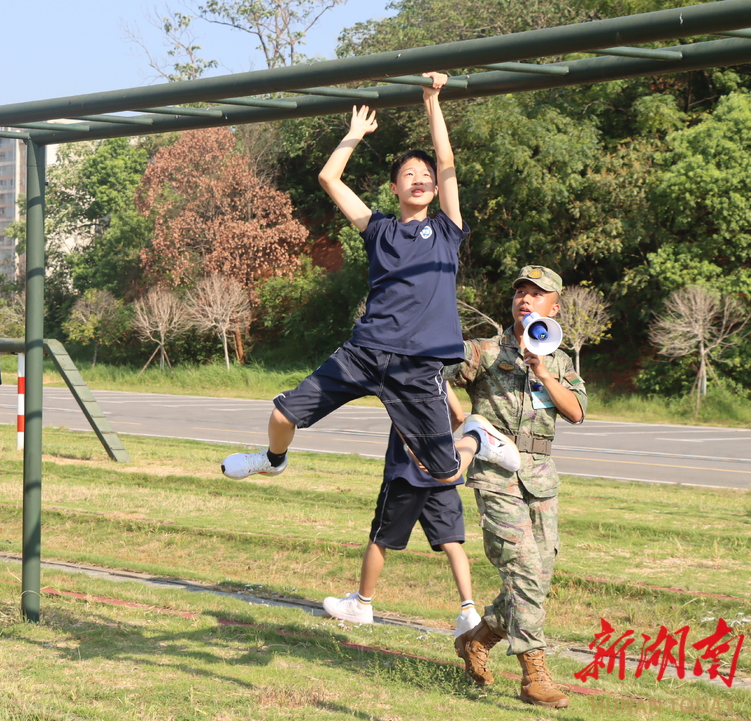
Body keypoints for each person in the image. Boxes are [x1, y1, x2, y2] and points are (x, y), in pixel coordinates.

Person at [222, 73, 521, 485]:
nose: (420, 179)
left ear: (435, 187)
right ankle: (273, 460)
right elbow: (329, 179)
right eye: (409, 174)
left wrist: (431, 99)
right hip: (364, 353)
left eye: (426, 175)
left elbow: (447, 161)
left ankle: (475, 435)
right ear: (394, 186)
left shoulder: (447, 231)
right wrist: (354, 134)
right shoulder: (377, 229)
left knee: (445, 475)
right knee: (281, 414)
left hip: (417, 365)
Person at [450, 266, 586, 710]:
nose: (525, 300)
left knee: (536, 579)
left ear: (554, 306)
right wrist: (460, 422)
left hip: (541, 479)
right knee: (523, 569)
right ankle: (534, 675)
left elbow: (576, 412)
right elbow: (434, 368)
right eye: (520, 294)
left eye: (536, 294)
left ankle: (478, 638)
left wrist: (543, 371)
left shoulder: (561, 359)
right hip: (496, 474)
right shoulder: (486, 351)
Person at [323, 382, 483, 637]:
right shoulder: (438, 375)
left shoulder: (400, 377)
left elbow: (400, 419)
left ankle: (362, 604)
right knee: (452, 542)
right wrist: (436, 450)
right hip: (441, 471)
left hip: (405, 474)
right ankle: (469, 612)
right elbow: (459, 416)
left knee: (380, 538)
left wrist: (416, 449)